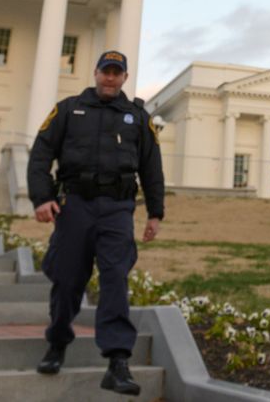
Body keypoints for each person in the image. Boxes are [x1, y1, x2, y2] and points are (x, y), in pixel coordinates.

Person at [27, 49, 165, 397]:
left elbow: (151, 167)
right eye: (106, 71)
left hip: (118, 208)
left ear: (125, 78)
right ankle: (57, 343)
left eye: (117, 73)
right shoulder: (68, 109)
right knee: (68, 279)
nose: (110, 78)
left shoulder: (136, 116)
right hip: (75, 206)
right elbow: (41, 153)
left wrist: (155, 212)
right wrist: (42, 197)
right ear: (96, 72)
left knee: (115, 277)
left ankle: (117, 362)